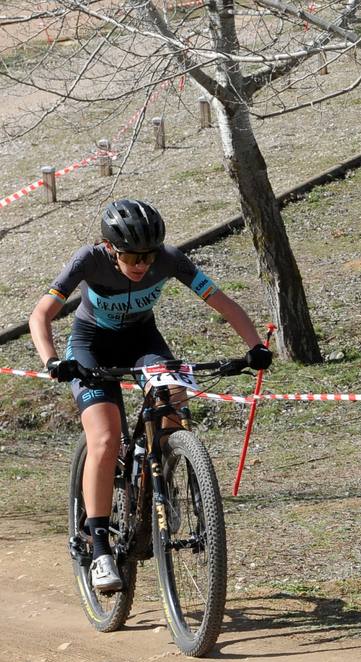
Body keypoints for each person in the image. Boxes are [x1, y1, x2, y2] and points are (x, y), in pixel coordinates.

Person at [29, 199, 272, 593]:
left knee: (174, 397)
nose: (141, 264)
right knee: (105, 438)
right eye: (131, 256)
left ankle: (165, 478)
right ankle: (101, 546)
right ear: (111, 248)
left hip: (143, 342)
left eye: (148, 255)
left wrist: (255, 346)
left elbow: (222, 302)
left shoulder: (170, 259)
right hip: (90, 346)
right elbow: (40, 315)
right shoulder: (88, 260)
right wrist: (53, 360)